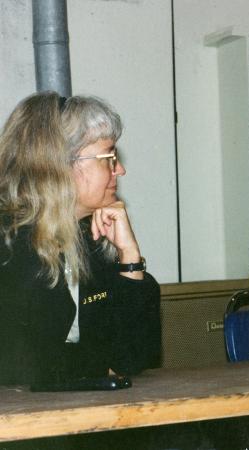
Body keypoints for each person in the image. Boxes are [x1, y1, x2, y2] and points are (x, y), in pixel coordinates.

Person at [0, 92, 160, 388]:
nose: (120, 170)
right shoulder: (8, 244)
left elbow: (135, 358)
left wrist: (129, 255)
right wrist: (98, 363)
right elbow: (26, 367)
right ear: (61, 165)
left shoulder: (90, 237)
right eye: (108, 158)